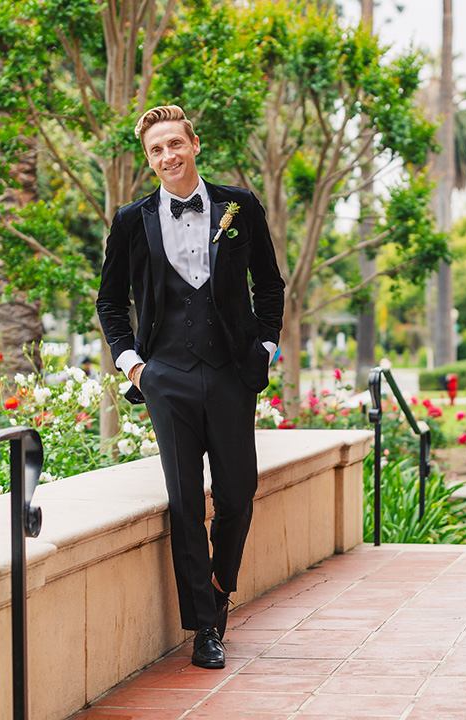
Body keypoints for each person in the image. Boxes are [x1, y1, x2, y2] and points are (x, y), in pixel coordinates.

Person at [96, 105, 284, 669]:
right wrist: (133, 366)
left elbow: (270, 286)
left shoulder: (239, 206)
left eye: (175, 144)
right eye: (156, 150)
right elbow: (110, 301)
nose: (167, 156)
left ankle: (221, 586)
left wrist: (266, 347)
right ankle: (206, 627)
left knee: (236, 495)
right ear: (149, 157)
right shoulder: (133, 220)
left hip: (231, 373)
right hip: (167, 378)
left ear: (194, 144)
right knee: (183, 504)